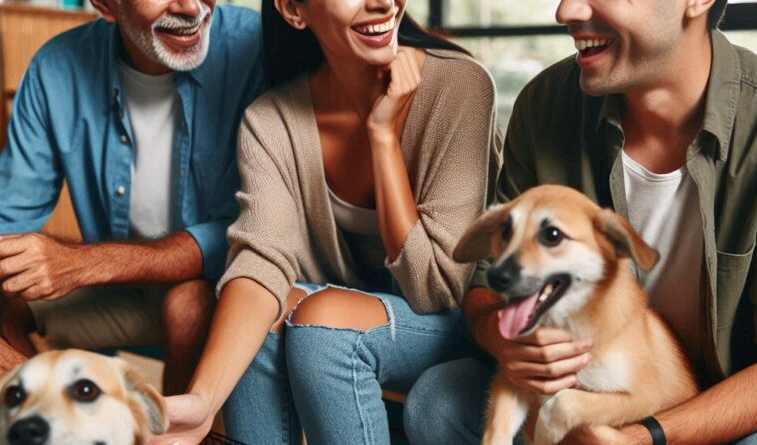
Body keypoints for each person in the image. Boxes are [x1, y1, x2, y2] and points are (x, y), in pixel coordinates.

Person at [404, 0, 757, 443]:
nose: (565, 10)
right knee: (437, 402)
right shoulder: (544, 104)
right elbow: (483, 284)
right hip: (591, 382)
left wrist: (642, 436)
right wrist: (506, 341)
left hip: (733, 400)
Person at [152, 0, 500, 443]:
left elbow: (436, 290)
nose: (382, 2)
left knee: (323, 326)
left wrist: (383, 137)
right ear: (294, 10)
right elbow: (261, 263)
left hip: (464, 323)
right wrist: (202, 402)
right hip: (347, 317)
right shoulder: (271, 120)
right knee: (261, 322)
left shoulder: (460, 86)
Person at [0, 0, 265, 395]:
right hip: (119, 293)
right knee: (7, 289)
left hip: (214, 290)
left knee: (187, 303)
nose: (192, 7)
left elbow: (250, 232)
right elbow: (7, 223)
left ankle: (176, 435)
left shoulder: (255, 48)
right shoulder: (56, 66)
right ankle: (49, 418)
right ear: (105, 5)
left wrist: (85, 263)